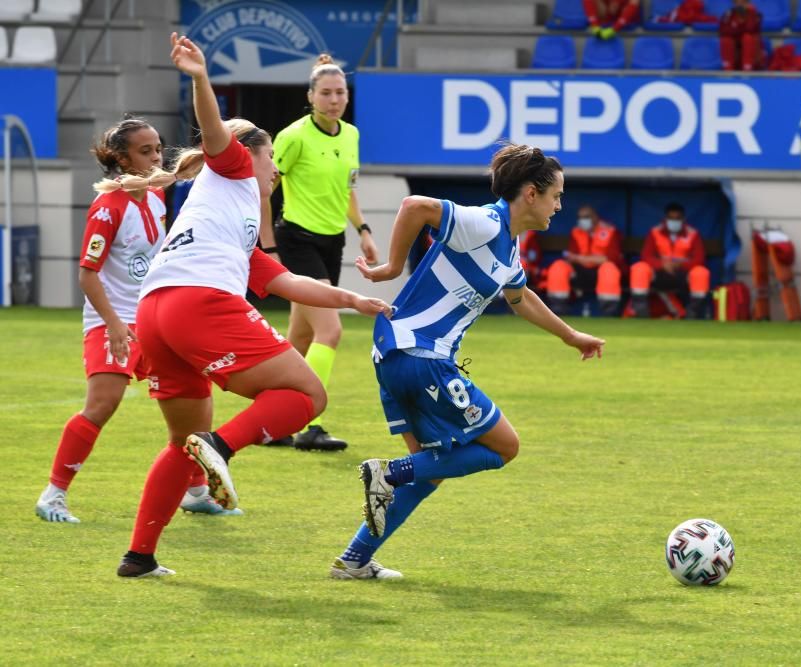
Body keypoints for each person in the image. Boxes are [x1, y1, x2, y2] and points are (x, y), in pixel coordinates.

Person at [115, 33, 392, 578]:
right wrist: (200, 77)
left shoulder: (231, 222)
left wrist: (358, 300)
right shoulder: (237, 169)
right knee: (307, 393)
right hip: (198, 306)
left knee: (181, 444)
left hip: (155, 316)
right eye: (273, 166)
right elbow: (218, 132)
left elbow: (291, 282)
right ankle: (221, 444)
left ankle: (138, 557)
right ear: (256, 155)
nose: (275, 176)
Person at [327, 144, 605, 580]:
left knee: (432, 470)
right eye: (557, 195)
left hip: (395, 355)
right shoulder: (486, 222)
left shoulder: (509, 250)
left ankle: (354, 559)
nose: (559, 205)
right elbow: (414, 206)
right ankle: (388, 473)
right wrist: (392, 267)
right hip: (423, 356)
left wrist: (570, 336)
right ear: (531, 194)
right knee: (504, 446)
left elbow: (519, 297)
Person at [34, 117, 238, 523]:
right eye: (146, 152)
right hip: (113, 322)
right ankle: (53, 495)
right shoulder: (107, 207)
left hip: (153, 321)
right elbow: (87, 273)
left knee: (191, 406)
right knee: (102, 404)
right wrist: (112, 324)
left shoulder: (154, 196)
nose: (156, 157)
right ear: (121, 159)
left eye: (158, 149)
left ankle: (195, 492)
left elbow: (181, 175)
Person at [260, 54, 379, 452]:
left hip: (332, 242)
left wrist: (362, 230)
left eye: (340, 92)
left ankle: (272, 422)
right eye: (325, 92)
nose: (334, 99)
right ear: (310, 96)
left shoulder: (352, 135)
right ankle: (311, 423)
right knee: (331, 329)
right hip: (296, 240)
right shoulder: (292, 136)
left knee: (302, 334)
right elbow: (264, 189)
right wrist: (269, 247)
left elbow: (348, 189)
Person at [629, 203, 711, 319]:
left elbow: (699, 258)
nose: (674, 221)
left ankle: (694, 313)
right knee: (639, 268)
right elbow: (646, 256)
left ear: (683, 219)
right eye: (671, 218)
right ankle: (641, 312)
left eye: (677, 218)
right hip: (659, 273)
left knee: (701, 272)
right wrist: (662, 264)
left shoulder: (693, 234)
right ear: (665, 219)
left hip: (683, 272)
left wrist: (679, 264)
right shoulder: (655, 232)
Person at [545, 204, 623, 316]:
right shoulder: (576, 231)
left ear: (595, 217)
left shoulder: (610, 231)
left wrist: (582, 259)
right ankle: (558, 310)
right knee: (559, 266)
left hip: (600, 271)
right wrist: (587, 259)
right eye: (580, 217)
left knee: (608, 268)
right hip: (580, 272)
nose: (583, 220)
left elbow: (611, 258)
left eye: (586, 217)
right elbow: (571, 256)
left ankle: (609, 313)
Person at [719, 0, 763, 72]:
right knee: (726, 40)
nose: (740, 5)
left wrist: (750, 13)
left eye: (743, 3)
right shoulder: (728, 14)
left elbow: (751, 29)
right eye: (737, 3)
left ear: (748, 3)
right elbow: (723, 31)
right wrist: (740, 27)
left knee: (747, 37)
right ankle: (728, 69)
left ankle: (747, 68)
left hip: (749, 43)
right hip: (734, 42)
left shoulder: (755, 14)